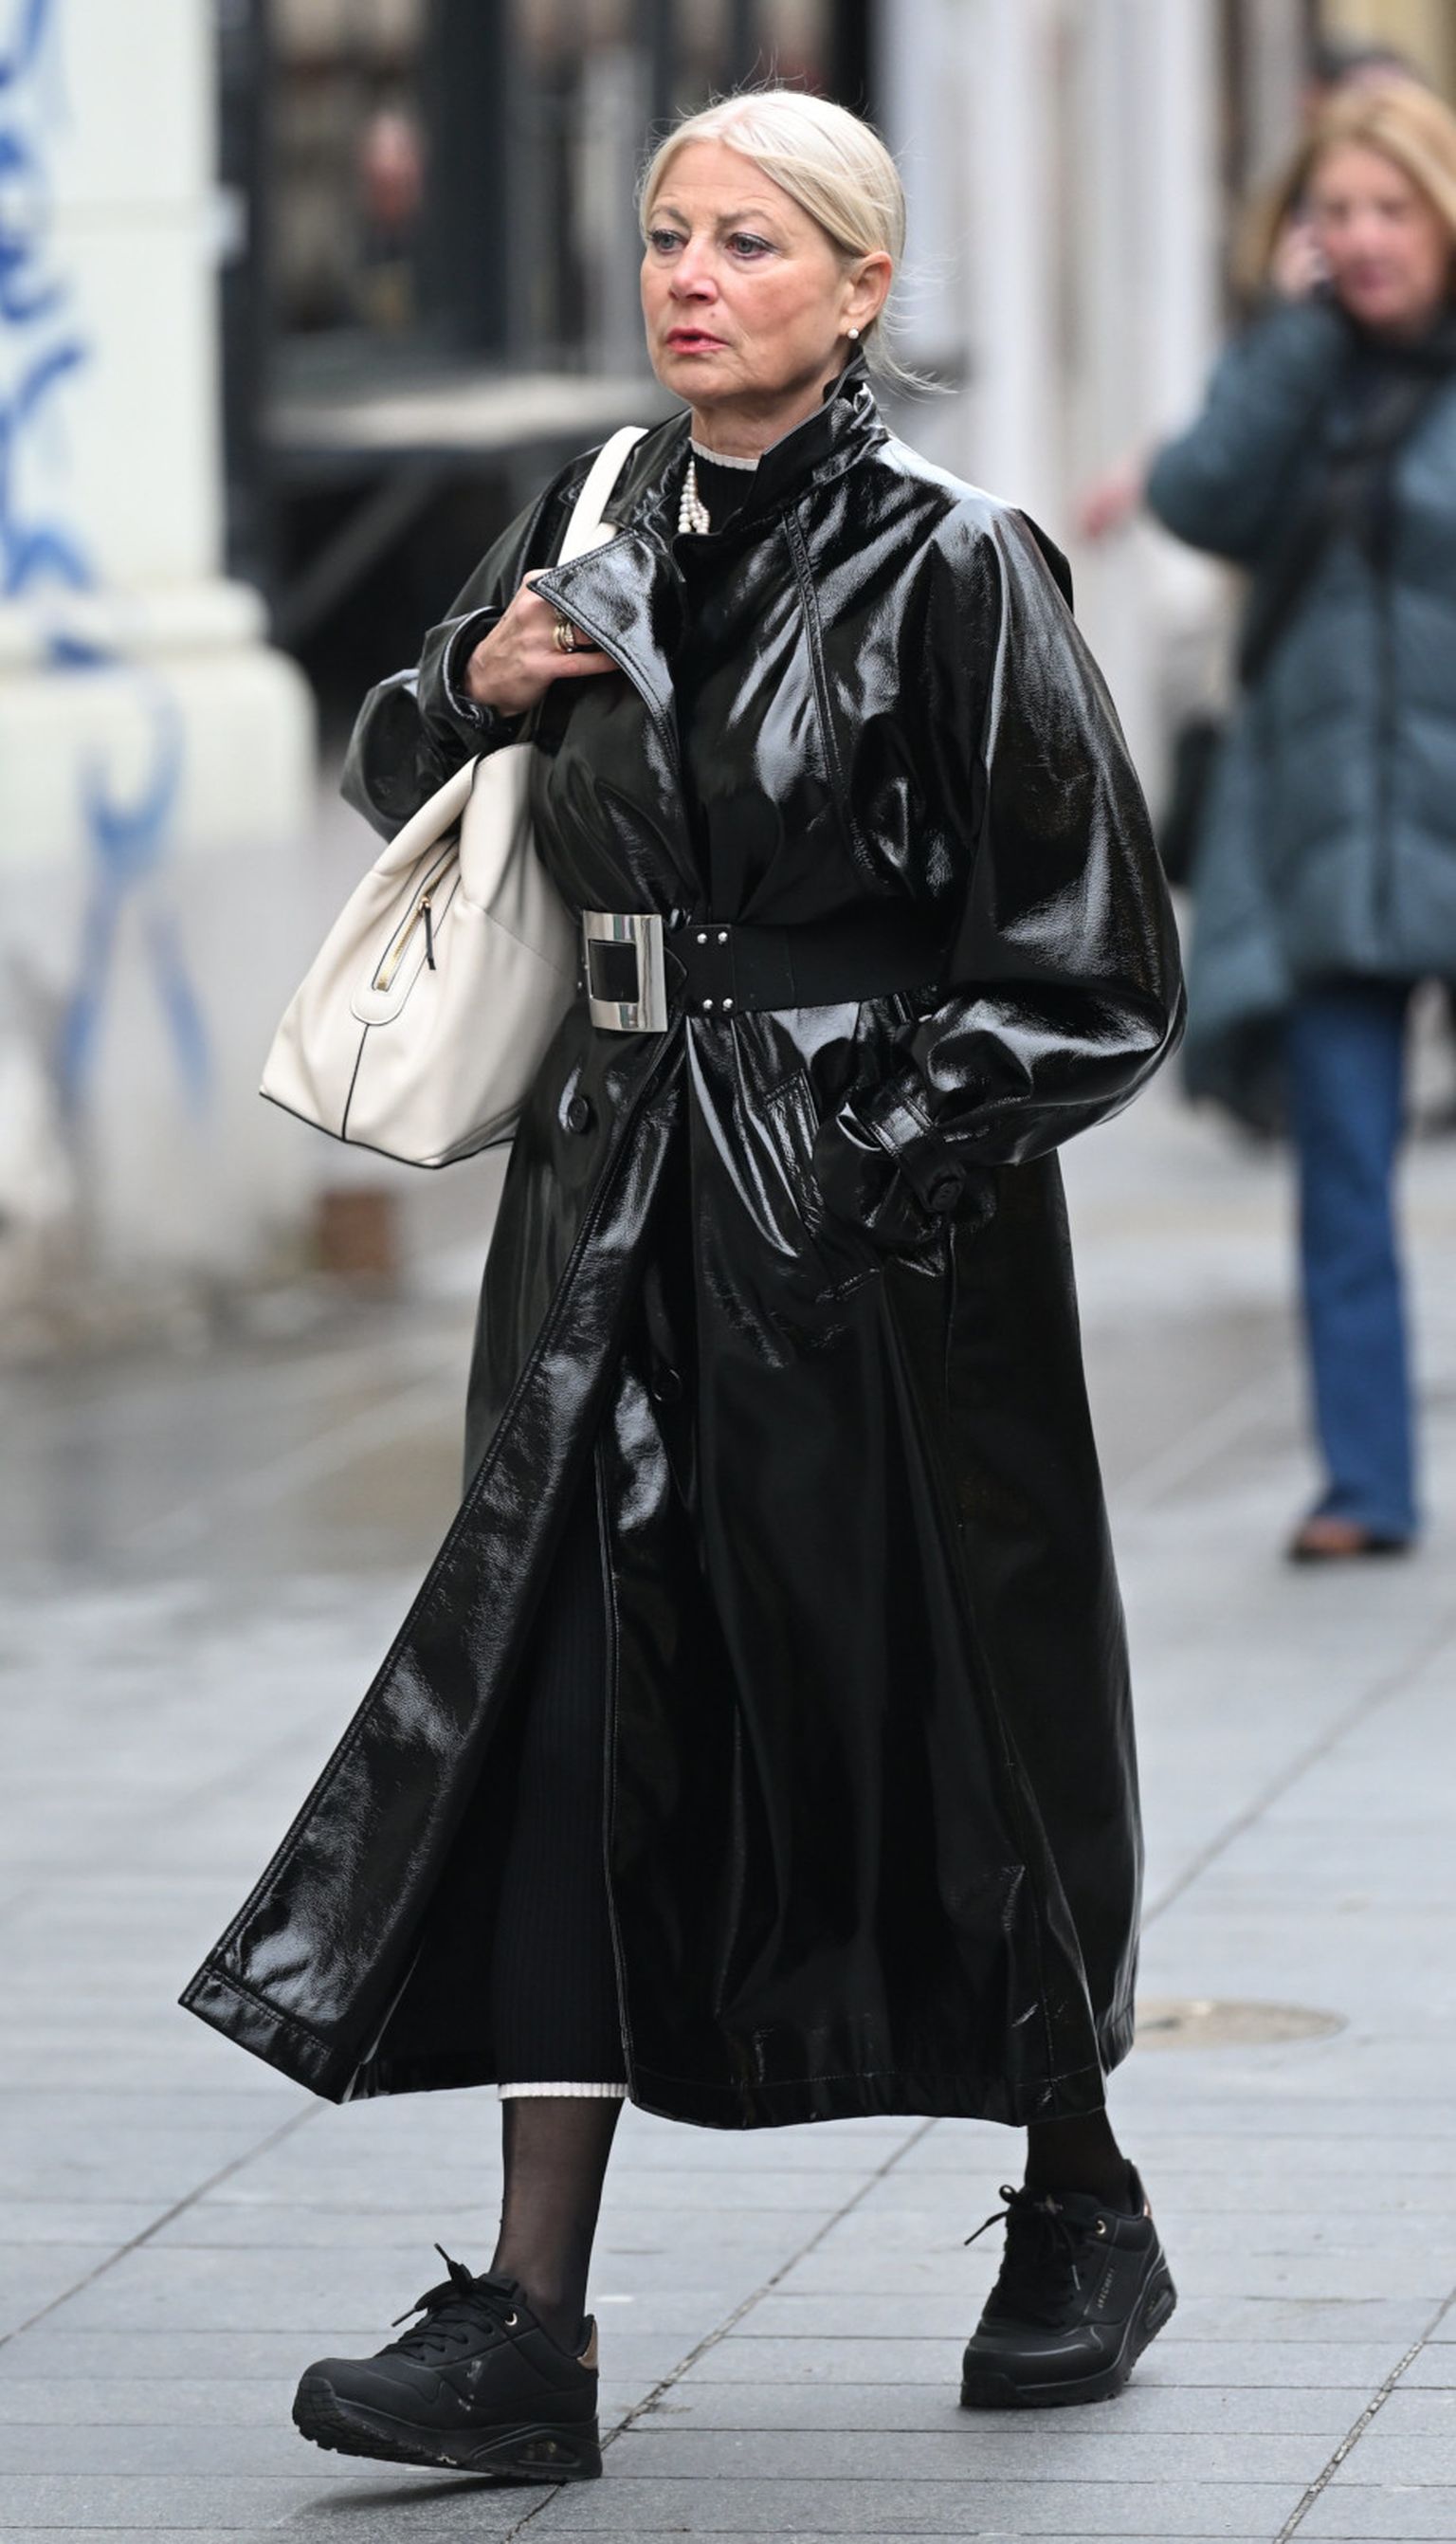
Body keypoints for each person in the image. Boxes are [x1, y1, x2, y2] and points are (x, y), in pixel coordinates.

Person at [183, 88, 1183, 2479]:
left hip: (869, 1245)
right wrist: (479, 683)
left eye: (749, 241)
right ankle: (531, 2320)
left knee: (948, 1705)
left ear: (860, 291)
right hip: (602, 1195)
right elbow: (398, 760)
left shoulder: (959, 565)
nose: (691, 278)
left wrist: (863, 1156)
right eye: (666, 236)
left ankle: (1082, 2195)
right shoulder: (594, 514)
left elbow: (1095, 968)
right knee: (560, 1696)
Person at [1145, 79, 1456, 1561]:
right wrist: (1290, 338)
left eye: (1392, 208)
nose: (1366, 236)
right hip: (1325, 821)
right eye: (1337, 213)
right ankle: (1368, 1483)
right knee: (1341, 1163)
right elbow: (1195, 497)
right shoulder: (1295, 372)